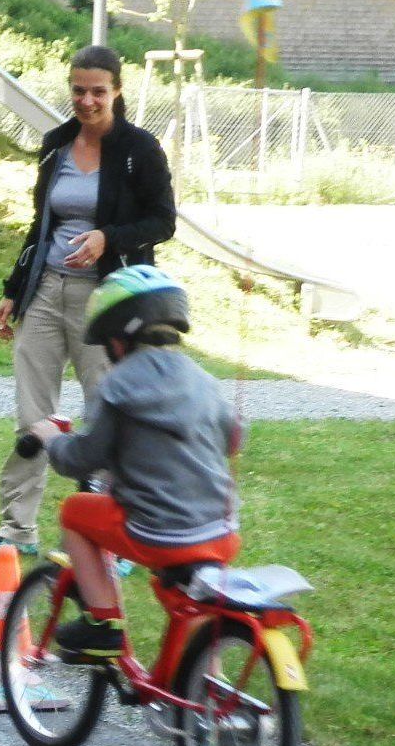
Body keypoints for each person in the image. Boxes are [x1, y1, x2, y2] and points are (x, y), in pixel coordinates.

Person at [0, 44, 176, 559]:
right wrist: (13, 291)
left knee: (107, 414)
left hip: (107, 299)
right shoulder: (56, 144)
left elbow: (163, 221)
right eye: (78, 90)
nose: (87, 101)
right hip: (46, 290)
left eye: (98, 92)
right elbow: (39, 225)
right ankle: (16, 531)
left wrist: (108, 238)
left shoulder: (138, 149)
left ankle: (112, 540)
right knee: (32, 415)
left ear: (117, 91)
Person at [23, 265, 240, 660]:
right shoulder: (205, 380)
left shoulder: (118, 384)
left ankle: (103, 624)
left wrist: (52, 440)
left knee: (75, 512)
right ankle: (202, 678)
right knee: (180, 593)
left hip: (159, 533)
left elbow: (83, 458)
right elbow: (234, 439)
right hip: (222, 530)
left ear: (117, 339)